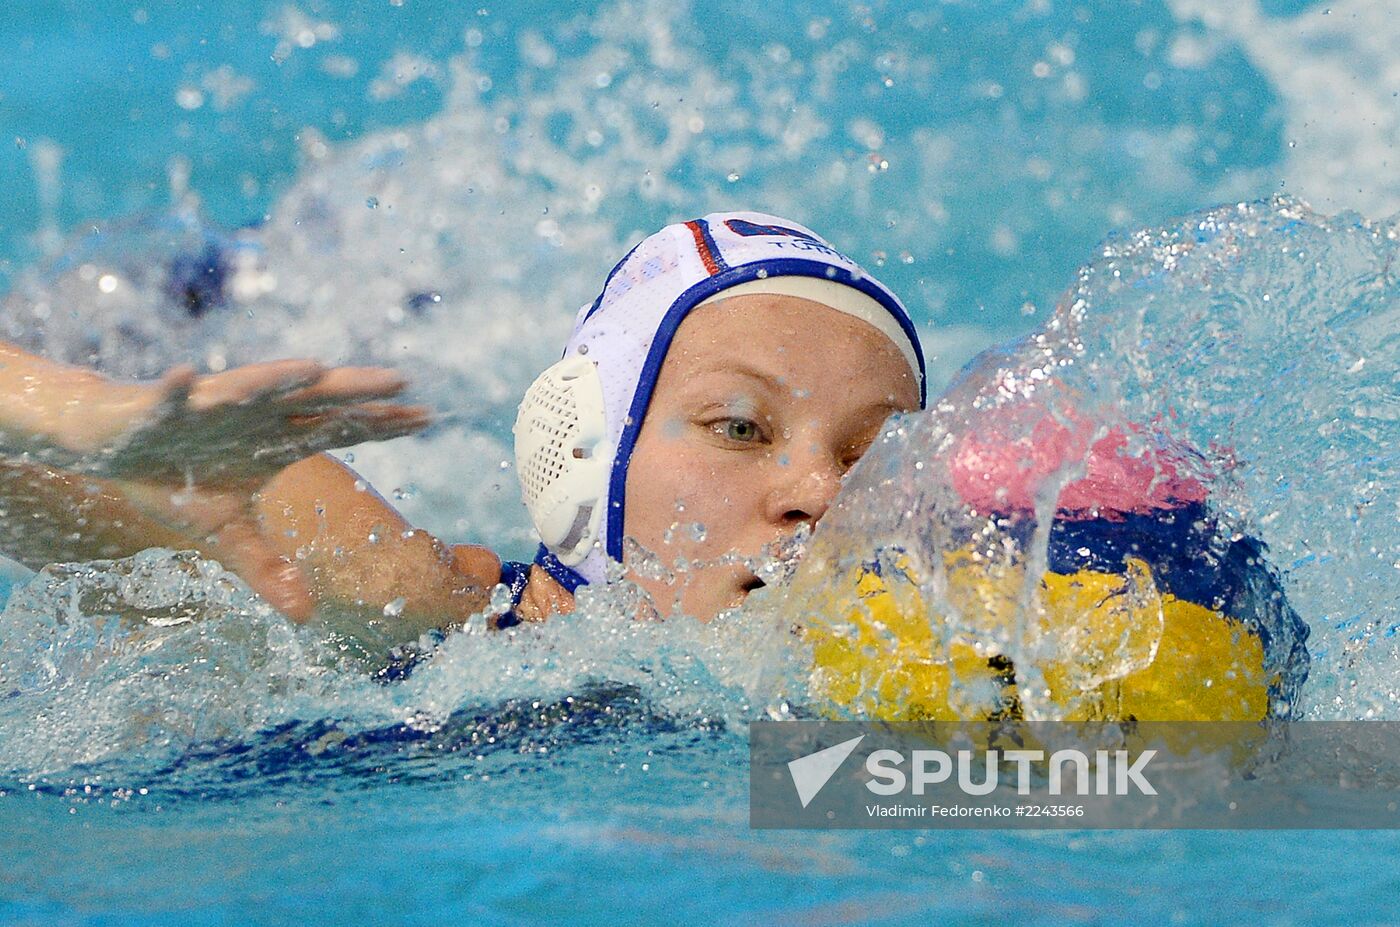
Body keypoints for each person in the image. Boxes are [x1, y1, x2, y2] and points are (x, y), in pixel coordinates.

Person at [0, 212, 924, 657]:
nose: (821, 493)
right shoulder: (439, 617)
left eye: (871, 452)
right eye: (739, 427)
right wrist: (89, 428)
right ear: (579, 455)